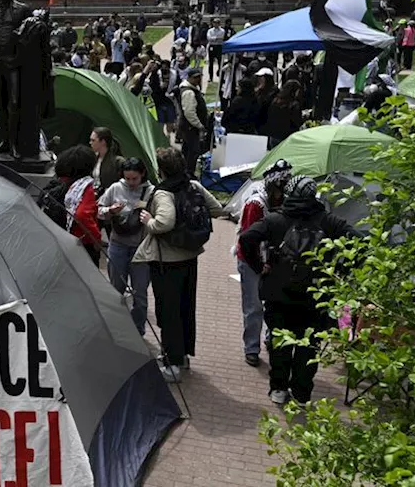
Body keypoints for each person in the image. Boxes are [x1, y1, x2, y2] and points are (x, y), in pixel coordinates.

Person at [238, 175, 359, 404]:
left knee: (280, 343)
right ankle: (302, 393)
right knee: (309, 346)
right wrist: (340, 269)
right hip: (315, 295)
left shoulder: (275, 220)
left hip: (279, 292)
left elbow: (246, 239)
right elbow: (358, 240)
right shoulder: (328, 221)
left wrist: (259, 266)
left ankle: (278, 389)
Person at [133, 146, 225, 382]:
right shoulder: (193, 185)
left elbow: (164, 222)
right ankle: (182, 356)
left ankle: (171, 364)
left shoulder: (163, 193)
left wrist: (149, 220)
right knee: (186, 308)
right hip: (190, 257)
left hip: (167, 261)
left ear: (161, 170)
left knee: (168, 312)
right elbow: (216, 208)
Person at [234, 159, 292, 367]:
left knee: (274, 302)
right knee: (254, 307)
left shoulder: (285, 202)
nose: (282, 191)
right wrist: (260, 265)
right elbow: (248, 239)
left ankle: (270, 338)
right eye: (280, 186)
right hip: (251, 260)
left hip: (274, 260)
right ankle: (251, 348)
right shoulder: (256, 204)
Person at [97, 157, 154, 333]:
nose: (130, 183)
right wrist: (110, 211)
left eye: (134, 179)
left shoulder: (151, 192)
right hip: (118, 245)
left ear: (142, 174)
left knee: (140, 293)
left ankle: (138, 330)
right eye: (127, 178)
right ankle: (115, 328)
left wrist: (150, 220)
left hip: (141, 248)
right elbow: (98, 210)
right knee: (116, 290)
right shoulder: (115, 188)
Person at [43, 145, 103, 264]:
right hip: (82, 245)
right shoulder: (85, 188)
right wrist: (96, 239)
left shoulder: (59, 186)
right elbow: (82, 215)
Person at [178, 68, 210, 177]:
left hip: (189, 126)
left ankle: (183, 170)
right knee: (193, 150)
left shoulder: (192, 89)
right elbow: (189, 112)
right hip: (189, 127)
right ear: (189, 78)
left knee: (187, 150)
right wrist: (199, 125)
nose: (198, 79)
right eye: (195, 77)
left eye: (199, 77)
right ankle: (189, 173)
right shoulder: (188, 92)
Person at [262, 80, 304, 148]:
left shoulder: (275, 100)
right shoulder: (294, 104)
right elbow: (297, 121)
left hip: (273, 135)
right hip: (287, 136)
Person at [89, 126, 125, 195]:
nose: (90, 143)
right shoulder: (93, 159)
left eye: (93, 140)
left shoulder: (118, 162)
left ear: (103, 142)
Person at [150, 59, 178, 137]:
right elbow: (152, 87)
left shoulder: (174, 74)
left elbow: (178, 85)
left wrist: (173, 92)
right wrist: (160, 87)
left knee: (170, 121)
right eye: (163, 69)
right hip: (159, 102)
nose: (164, 71)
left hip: (170, 101)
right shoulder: (156, 75)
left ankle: (168, 137)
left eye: (166, 68)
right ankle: (160, 137)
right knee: (160, 122)